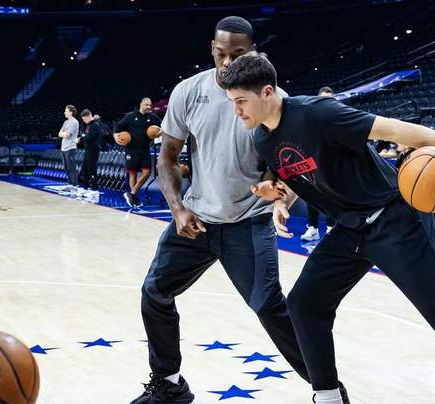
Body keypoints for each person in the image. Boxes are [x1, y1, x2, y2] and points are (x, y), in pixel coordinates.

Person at [223, 53, 435, 404]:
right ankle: (328, 397)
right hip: (350, 229)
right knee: (305, 304)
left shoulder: (318, 113)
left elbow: (393, 129)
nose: (236, 111)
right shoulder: (262, 139)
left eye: (241, 101)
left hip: (395, 221)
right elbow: (301, 174)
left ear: (267, 92)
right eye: (232, 102)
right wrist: (280, 200)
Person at [130, 17, 311, 404]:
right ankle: (169, 385)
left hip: (248, 222)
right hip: (196, 219)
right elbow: (167, 157)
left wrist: (279, 194)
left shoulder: (270, 96)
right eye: (220, 54)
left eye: (237, 54)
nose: (227, 62)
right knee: (155, 293)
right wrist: (178, 210)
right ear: (212, 49)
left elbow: (285, 165)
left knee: (268, 307)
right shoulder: (189, 91)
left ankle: (326, 388)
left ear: (253, 51)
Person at [301, 86, 336, 241]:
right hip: (313, 163)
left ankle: (331, 228)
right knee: (312, 195)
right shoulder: (309, 120)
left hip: (333, 165)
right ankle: (313, 228)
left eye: (329, 100)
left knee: (332, 197)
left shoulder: (338, 119)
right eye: (323, 99)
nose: (326, 103)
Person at [114, 97, 161, 208]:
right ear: (141, 104)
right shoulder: (130, 116)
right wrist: (116, 138)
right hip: (131, 149)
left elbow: (163, 127)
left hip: (144, 149)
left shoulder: (152, 117)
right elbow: (117, 128)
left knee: (147, 172)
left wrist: (160, 133)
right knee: (132, 173)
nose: (149, 107)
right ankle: (134, 199)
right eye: (146, 105)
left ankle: (132, 193)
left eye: (150, 105)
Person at [78, 109, 103, 191]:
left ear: (89, 116)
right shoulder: (89, 125)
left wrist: (82, 137)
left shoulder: (95, 125)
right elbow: (85, 136)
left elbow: (89, 137)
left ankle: (94, 188)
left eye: (85, 119)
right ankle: (85, 187)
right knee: (85, 169)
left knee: (92, 169)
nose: (84, 121)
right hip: (88, 149)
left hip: (93, 150)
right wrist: (83, 137)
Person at [58, 104, 79, 186]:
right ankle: (70, 183)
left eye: (66, 111)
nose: (64, 112)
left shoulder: (74, 122)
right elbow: (59, 133)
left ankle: (74, 184)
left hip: (70, 147)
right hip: (64, 148)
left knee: (71, 167)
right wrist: (64, 134)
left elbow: (67, 135)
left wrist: (63, 134)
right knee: (66, 168)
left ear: (71, 112)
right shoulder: (66, 122)